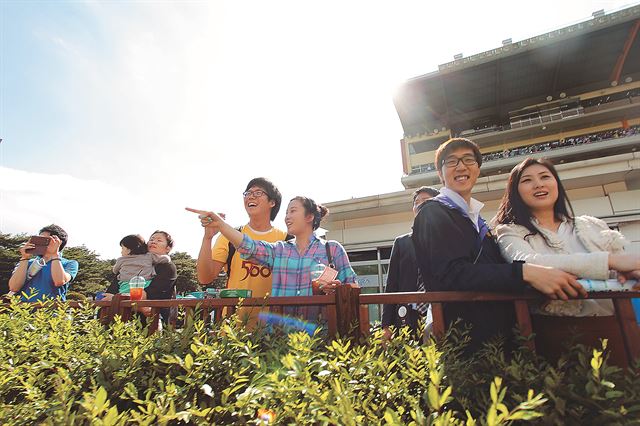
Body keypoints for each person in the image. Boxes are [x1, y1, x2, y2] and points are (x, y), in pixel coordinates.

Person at [411, 138, 587, 353]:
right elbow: (451, 273)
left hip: (502, 336)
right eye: (452, 161)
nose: (461, 166)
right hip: (465, 340)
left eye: (469, 160)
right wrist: (524, 272)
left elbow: (494, 270)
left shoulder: (478, 219)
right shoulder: (433, 212)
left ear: (477, 169)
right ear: (440, 173)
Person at [494, 158, 640, 316]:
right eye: (527, 180)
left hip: (619, 324)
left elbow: (625, 268)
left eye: (545, 177)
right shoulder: (509, 232)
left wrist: (629, 273)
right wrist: (609, 261)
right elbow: (527, 263)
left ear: (556, 183)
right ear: (516, 192)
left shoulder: (593, 225)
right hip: (557, 331)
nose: (538, 184)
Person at [187, 196, 357, 321]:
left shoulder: (332, 249)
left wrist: (337, 288)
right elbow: (250, 246)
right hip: (278, 336)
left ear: (309, 216)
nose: (287, 217)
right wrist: (222, 226)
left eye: (293, 211)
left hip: (320, 334)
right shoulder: (280, 249)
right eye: (286, 212)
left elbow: (352, 286)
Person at [194, 177, 288, 324]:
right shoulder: (230, 235)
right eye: (248, 193)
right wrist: (207, 238)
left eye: (258, 193)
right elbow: (204, 278)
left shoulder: (286, 239)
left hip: (274, 330)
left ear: (272, 202)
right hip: (233, 327)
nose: (250, 196)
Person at [382, 186, 439, 339]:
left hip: (437, 313)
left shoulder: (444, 240)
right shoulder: (402, 242)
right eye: (416, 202)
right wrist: (386, 325)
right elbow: (391, 284)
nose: (419, 204)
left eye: (425, 201)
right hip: (406, 315)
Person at [105, 230, 177, 323]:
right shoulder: (129, 264)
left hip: (150, 320)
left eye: (159, 240)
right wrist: (114, 297)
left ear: (168, 248)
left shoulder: (168, 267)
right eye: (151, 239)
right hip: (121, 319)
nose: (153, 241)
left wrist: (116, 298)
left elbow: (151, 294)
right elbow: (111, 291)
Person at [8, 224, 78, 302]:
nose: (39, 243)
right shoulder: (28, 262)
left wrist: (55, 255)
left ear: (58, 242)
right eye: (38, 239)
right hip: (25, 311)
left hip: (51, 311)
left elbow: (59, 281)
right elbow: (14, 287)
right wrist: (25, 258)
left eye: (44, 240)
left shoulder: (69, 263)